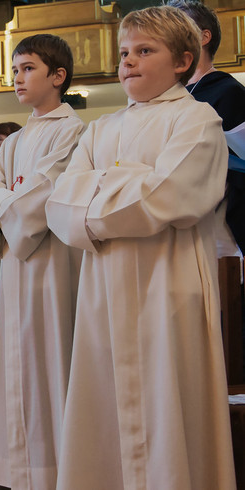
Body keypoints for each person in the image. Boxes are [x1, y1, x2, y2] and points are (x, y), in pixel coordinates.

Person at [46, 7, 236, 489]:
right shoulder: (100, 130)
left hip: (165, 288)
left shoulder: (198, 120)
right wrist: (122, 185)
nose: (128, 61)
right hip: (102, 291)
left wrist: (97, 190)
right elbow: (59, 206)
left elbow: (166, 197)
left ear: (183, 61)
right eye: (125, 52)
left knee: (168, 405)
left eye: (145, 51)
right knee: (102, 407)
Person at [0, 34, 84, 490]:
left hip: (50, 264)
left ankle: (55, 473)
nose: (18, 77)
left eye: (29, 68)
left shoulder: (72, 131)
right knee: (16, 363)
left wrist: (6, 204)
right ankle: (20, 472)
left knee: (48, 360)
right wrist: (6, 205)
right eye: (15, 69)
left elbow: (43, 197)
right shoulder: (18, 138)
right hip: (15, 264)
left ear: (58, 76)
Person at [169, 0, 245, 255]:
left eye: (176, 26)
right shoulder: (168, 95)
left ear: (203, 37)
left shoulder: (228, 92)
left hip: (220, 226)